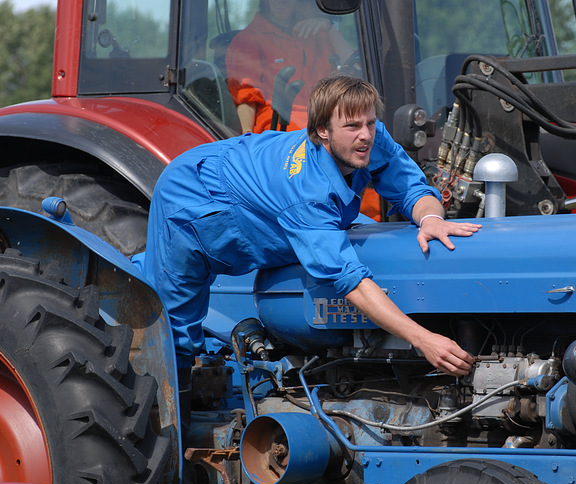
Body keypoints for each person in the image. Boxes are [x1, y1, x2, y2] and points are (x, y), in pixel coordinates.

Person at [135, 74, 481, 378]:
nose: (366, 136)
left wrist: (431, 219)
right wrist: (424, 339)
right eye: (352, 127)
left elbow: (411, 187)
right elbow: (350, 280)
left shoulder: (368, 137)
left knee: (367, 238)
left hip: (264, 189)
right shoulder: (307, 194)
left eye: (371, 123)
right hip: (194, 196)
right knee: (175, 340)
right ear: (322, 132)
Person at [226, 0, 354, 134]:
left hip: (331, 120)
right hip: (282, 129)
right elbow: (246, 96)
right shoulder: (246, 41)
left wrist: (329, 28)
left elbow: (354, 68)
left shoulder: (321, 33)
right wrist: (246, 135)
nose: (282, 2)